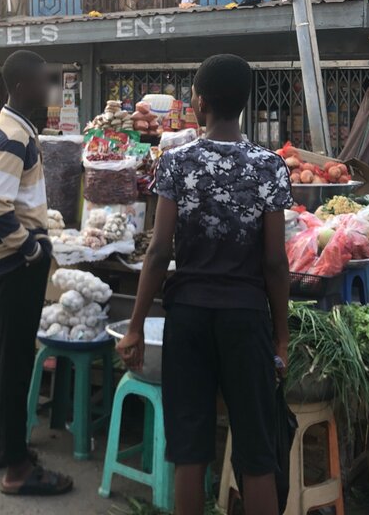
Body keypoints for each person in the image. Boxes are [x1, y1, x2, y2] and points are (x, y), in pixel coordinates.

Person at [117, 54, 292, 515]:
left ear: (198, 102)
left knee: (189, 450)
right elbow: (275, 262)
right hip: (246, 318)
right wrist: (282, 337)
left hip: (188, 317)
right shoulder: (269, 167)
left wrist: (135, 326)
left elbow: (158, 253)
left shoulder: (175, 163)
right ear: (244, 104)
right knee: (257, 453)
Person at [0, 50, 73, 497]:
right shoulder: (16, 136)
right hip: (15, 263)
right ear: (20, 87)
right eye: (41, 82)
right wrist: (30, 246)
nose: (47, 90)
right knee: (14, 364)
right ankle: (17, 467)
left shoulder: (1, 126)